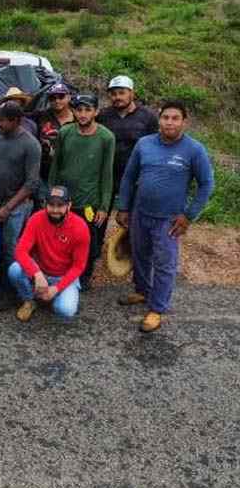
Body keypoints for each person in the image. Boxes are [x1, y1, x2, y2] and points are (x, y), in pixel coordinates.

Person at [116, 100, 214, 333]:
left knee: (164, 264)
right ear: (159, 119)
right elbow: (129, 177)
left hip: (168, 220)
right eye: (166, 117)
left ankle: (157, 308)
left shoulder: (194, 149)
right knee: (140, 254)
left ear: (184, 122)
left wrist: (189, 216)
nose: (169, 122)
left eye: (175, 118)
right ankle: (142, 291)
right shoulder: (144, 144)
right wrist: (124, 207)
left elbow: (206, 184)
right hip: (140, 212)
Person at [49, 94, 115, 289]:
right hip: (63, 200)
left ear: (96, 111)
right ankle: (61, 274)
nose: (83, 114)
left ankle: (83, 279)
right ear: (74, 111)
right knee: (61, 238)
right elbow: (56, 166)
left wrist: (103, 206)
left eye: (88, 110)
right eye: (79, 109)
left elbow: (107, 174)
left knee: (88, 241)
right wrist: (52, 194)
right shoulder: (65, 132)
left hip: (89, 201)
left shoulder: (106, 137)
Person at [9, 186, 90, 322]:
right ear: (45, 204)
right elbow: (20, 250)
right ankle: (29, 300)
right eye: (51, 205)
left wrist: (56, 288)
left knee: (66, 310)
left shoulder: (80, 227)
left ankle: (52, 296)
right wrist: (36, 273)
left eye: (60, 205)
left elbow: (79, 267)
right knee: (14, 270)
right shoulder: (36, 219)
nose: (55, 210)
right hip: (41, 272)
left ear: (69, 205)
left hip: (63, 275)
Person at [0, 101, 42, 285]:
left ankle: (13, 287)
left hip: (16, 206)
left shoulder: (31, 144)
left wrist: (8, 208)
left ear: (16, 120)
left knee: (11, 249)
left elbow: (31, 183)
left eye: (2, 120)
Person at [96, 75, 158, 207]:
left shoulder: (148, 117)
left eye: (122, 93)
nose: (117, 97)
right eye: (113, 94)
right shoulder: (102, 116)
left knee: (133, 220)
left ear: (132, 93)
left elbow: (156, 147)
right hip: (107, 175)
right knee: (99, 217)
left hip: (136, 176)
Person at [33, 82, 75, 188]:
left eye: (61, 97)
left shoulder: (79, 118)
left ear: (69, 97)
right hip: (45, 174)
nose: (57, 101)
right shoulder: (41, 116)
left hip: (71, 173)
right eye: (52, 98)